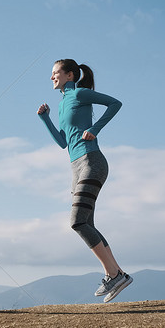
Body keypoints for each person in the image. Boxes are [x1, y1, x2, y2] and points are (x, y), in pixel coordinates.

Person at [36, 59, 133, 302]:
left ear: (69, 75)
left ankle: (114, 274)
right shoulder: (61, 105)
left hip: (92, 162)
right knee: (87, 222)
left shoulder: (80, 93)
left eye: (55, 73)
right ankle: (118, 273)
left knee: (77, 222)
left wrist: (96, 129)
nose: (51, 77)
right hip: (76, 167)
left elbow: (115, 103)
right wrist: (45, 118)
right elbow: (62, 142)